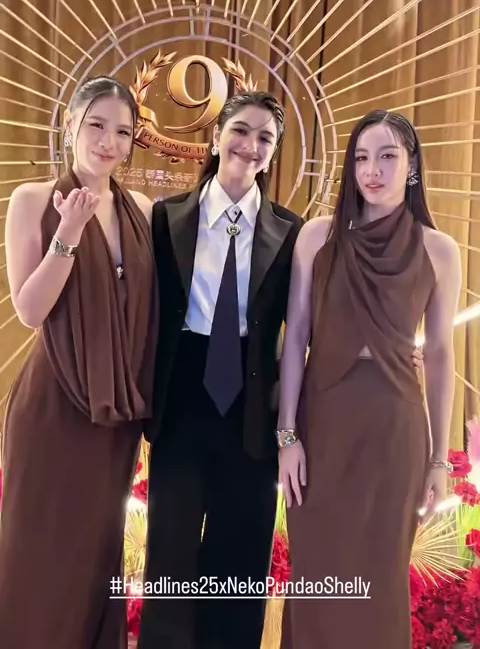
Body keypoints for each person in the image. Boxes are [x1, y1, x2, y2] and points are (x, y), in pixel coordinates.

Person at [138, 92, 424, 649]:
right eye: (241, 131)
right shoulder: (165, 218)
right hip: (181, 404)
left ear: (274, 151)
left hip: (255, 406)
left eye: (265, 138)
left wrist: (387, 350)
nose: (251, 145)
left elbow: (317, 321)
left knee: (241, 559)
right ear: (216, 135)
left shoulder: (293, 232)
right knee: (170, 557)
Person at [277, 109, 461, 649]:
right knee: (316, 579)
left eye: (387, 156)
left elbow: (441, 354)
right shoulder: (316, 237)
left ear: (412, 166)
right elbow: (295, 336)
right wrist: (287, 435)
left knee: (379, 586)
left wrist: (438, 460)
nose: (372, 170)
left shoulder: (439, 250)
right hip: (323, 427)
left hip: (393, 432)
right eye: (361, 158)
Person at [0, 76, 159, 649]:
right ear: (70, 125)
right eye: (96, 124)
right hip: (53, 407)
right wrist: (67, 232)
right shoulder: (33, 199)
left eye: (123, 132)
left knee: (96, 555)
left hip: (114, 415)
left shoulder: (142, 209)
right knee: (37, 552)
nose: (108, 141)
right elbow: (30, 310)